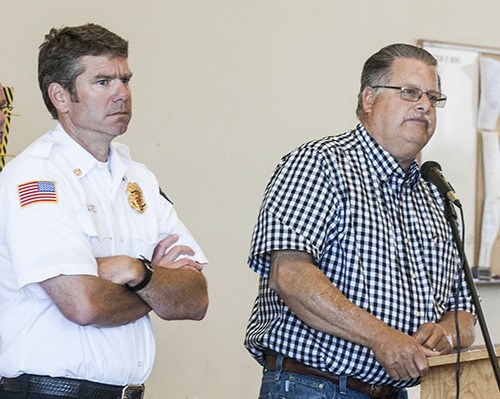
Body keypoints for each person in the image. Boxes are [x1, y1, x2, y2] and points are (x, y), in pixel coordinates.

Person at [244, 43, 476, 399]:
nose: (424, 105)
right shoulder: (319, 165)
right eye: (409, 92)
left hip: (392, 392)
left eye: (433, 97)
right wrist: (381, 337)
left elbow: (464, 310)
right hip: (314, 386)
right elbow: (289, 276)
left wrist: (446, 332)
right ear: (369, 99)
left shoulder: (434, 195)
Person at [0, 24, 208, 399]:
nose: (122, 94)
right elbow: (83, 304)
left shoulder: (138, 178)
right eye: (102, 82)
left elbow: (194, 300)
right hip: (50, 392)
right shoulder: (36, 177)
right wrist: (156, 283)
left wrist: (134, 270)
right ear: (60, 96)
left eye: (125, 79)